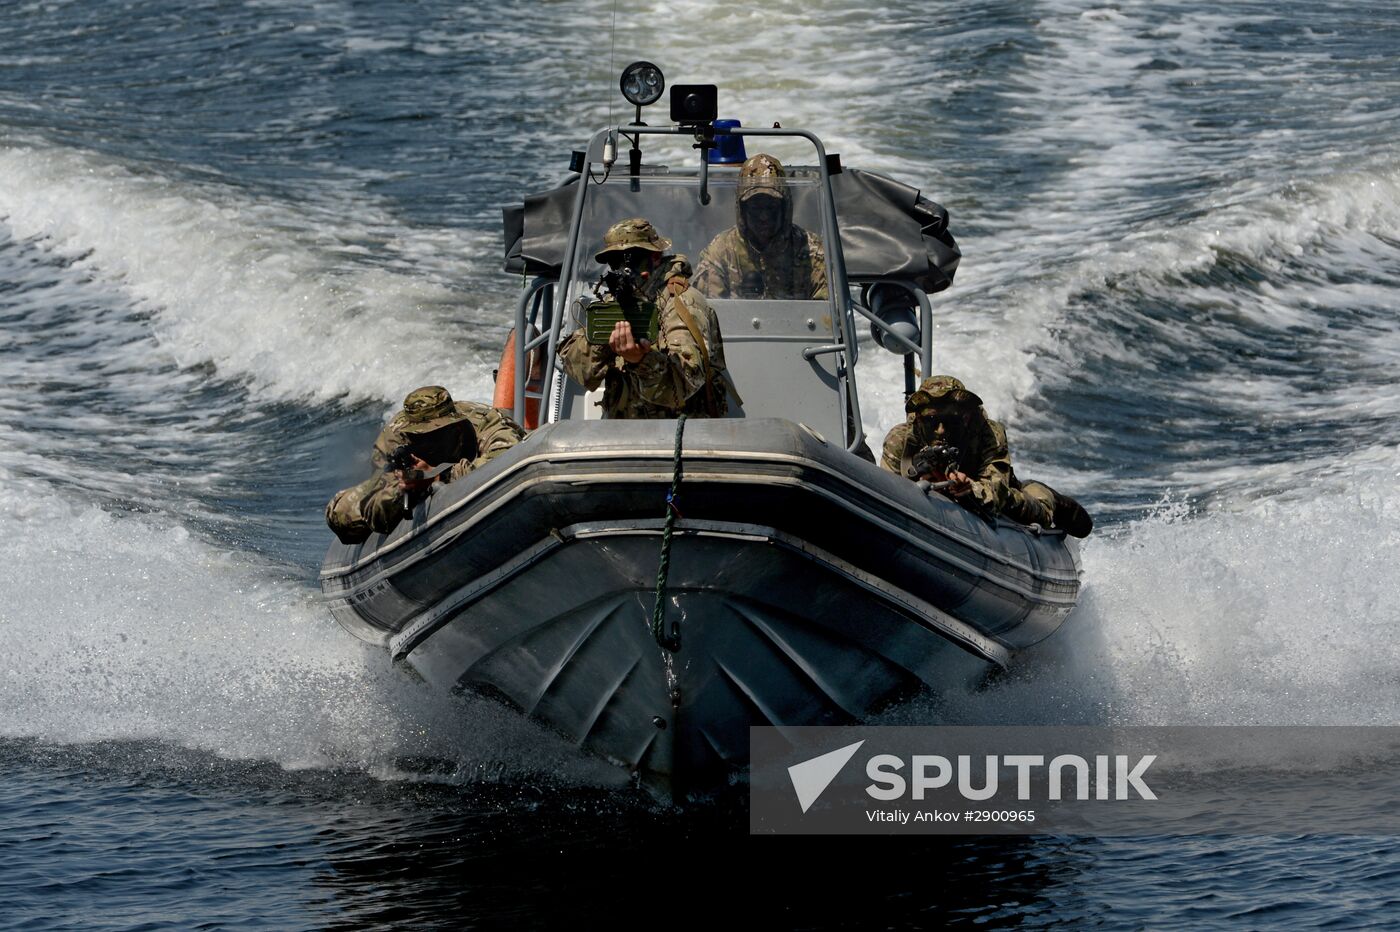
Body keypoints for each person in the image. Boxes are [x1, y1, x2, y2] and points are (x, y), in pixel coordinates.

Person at [557, 217, 729, 419]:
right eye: (615, 260)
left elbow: (684, 384)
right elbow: (579, 370)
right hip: (623, 432)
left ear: (655, 257)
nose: (622, 267)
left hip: (680, 434)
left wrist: (640, 360)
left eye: (631, 258)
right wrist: (603, 342)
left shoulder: (682, 302)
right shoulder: (618, 301)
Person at [880, 375, 1092, 537]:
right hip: (939, 501)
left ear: (965, 418)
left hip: (995, 496)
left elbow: (996, 488)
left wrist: (968, 488)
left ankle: (1048, 496)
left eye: (950, 421)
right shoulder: (900, 441)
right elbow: (888, 491)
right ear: (918, 419)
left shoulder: (988, 434)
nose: (941, 430)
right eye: (932, 421)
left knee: (1038, 513)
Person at [325, 386, 526, 544]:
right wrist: (404, 488)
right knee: (341, 512)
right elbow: (376, 514)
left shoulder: (482, 421)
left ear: (454, 427)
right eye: (418, 436)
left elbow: (508, 459)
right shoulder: (396, 439)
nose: (425, 444)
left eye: (433, 435)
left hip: (470, 476)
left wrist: (440, 477)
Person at [692, 153, 828, 301]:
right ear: (742, 210)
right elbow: (708, 314)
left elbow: (829, 316)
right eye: (756, 207)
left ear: (784, 208)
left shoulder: (812, 252)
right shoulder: (720, 252)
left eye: (771, 207)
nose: (764, 217)